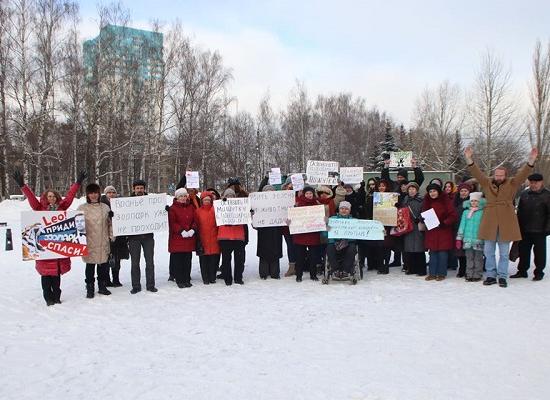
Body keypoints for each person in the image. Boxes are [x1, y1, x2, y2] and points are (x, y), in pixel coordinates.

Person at [464, 146, 537, 287]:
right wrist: (469, 159)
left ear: (505, 175)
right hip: (489, 221)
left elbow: (523, 173)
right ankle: (491, 275)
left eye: (501, 175)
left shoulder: (512, 183)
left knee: (503, 253)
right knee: (488, 251)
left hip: (506, 222)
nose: (498, 177)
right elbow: (477, 173)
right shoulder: (487, 182)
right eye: (496, 175)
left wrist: (531, 160)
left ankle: (502, 276)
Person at [12, 169, 86, 306]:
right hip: (44, 252)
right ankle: (48, 299)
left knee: (56, 278)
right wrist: (23, 185)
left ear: (57, 198)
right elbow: (31, 198)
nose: (51, 198)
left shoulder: (62, 209)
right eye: (49, 196)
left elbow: (69, 196)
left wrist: (78, 183)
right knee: (46, 278)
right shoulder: (39, 209)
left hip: (57, 252)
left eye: (53, 196)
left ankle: (57, 297)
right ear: (45, 197)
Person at [512, 173, 550, 281]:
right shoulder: (525, 194)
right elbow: (519, 211)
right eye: (531, 182)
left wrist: (547, 229)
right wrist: (517, 226)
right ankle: (522, 271)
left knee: (539, 253)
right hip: (524, 229)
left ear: (541, 182)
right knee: (523, 251)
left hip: (540, 230)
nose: (533, 185)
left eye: (536, 183)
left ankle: (539, 272)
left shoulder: (547, 195)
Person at [77, 183, 113, 298]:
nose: (93, 195)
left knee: (103, 266)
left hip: (103, 241)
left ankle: (102, 286)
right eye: (91, 193)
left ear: (99, 193)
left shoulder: (105, 207)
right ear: (87, 194)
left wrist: (112, 235)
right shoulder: (82, 208)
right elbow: (77, 226)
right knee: (90, 266)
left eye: (95, 192)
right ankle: (90, 287)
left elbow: (110, 224)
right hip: (89, 241)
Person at [126, 179, 158, 294]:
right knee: (135, 263)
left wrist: (164, 210)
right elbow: (123, 217)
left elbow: (157, 213)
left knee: (150, 262)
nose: (139, 190)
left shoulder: (151, 201)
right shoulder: (127, 202)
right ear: (133, 189)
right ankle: (136, 285)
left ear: (144, 189)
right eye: (137, 188)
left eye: (141, 188)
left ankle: (150, 285)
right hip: (133, 238)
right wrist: (114, 214)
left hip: (148, 237)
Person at [422, 183, 457, 281]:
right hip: (432, 231)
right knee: (432, 253)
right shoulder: (427, 202)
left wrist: (445, 222)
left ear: (438, 192)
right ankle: (432, 273)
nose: (432, 193)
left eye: (434, 191)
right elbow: (424, 214)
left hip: (443, 231)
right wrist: (423, 219)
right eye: (430, 191)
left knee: (442, 253)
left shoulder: (446, 200)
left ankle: (441, 273)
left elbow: (453, 215)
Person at [291, 186, 323, 282]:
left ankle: (313, 275)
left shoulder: (317, 204)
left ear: (313, 194)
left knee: (313, 257)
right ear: (304, 194)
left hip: (313, 234)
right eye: (307, 193)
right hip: (301, 234)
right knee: (300, 257)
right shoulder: (298, 203)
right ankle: (299, 275)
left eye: (311, 193)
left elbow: (321, 216)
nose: (309, 195)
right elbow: (293, 216)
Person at [167, 188, 197, 288]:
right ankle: (179, 280)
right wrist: (181, 231)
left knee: (187, 260)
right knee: (178, 261)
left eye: (184, 196)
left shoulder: (191, 207)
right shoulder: (172, 208)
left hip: (189, 237)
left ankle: (187, 279)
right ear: (177, 197)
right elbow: (172, 222)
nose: (183, 198)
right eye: (181, 196)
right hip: (177, 238)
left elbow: (195, 220)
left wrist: (193, 229)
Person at [218, 188, 247, 285]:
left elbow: (246, 218)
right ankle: (227, 278)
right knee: (226, 259)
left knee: (239, 259)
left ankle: (238, 278)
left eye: (232, 195)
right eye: (228, 195)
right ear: (224, 196)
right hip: (224, 237)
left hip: (238, 236)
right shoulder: (220, 205)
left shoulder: (240, 205)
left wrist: (249, 212)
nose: (230, 197)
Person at [100, 186, 129, 287]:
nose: (111, 194)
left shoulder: (121, 204)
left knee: (117, 258)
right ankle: (107, 280)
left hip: (119, 236)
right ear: (105, 194)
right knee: (107, 259)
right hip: (106, 236)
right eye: (109, 192)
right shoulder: (101, 205)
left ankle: (116, 279)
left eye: (113, 192)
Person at [254, 184, 283, 279]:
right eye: (266, 192)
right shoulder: (258, 204)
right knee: (263, 251)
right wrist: (253, 216)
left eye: (271, 192)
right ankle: (263, 272)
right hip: (263, 231)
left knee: (275, 251)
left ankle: (275, 272)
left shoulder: (280, 204)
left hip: (276, 231)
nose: (269, 194)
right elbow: (254, 222)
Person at [456, 192, 486, 282]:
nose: (473, 203)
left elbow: (484, 226)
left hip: (478, 239)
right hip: (468, 240)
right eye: (472, 201)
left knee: (478, 258)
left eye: (476, 201)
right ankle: (469, 273)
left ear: (480, 202)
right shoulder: (466, 212)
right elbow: (462, 225)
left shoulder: (483, 212)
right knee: (469, 258)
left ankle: (477, 274)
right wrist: (459, 238)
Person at [195, 191, 221, 284]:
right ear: (202, 200)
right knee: (204, 261)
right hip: (203, 239)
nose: (207, 201)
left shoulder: (216, 210)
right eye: (205, 200)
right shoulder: (198, 211)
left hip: (215, 238)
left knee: (214, 260)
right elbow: (196, 225)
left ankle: (212, 277)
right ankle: (205, 278)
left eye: (208, 200)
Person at [401, 182, 426, 276]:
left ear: (417, 190)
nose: (411, 191)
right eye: (409, 189)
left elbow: (425, 210)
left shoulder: (422, 199)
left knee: (419, 248)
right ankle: (412, 268)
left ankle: (421, 269)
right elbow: (402, 211)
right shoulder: (405, 200)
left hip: (418, 225)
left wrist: (419, 218)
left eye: (413, 189)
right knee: (409, 248)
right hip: (408, 226)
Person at [326, 201, 357, 277]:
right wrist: (327, 229)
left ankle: (346, 270)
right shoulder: (332, 219)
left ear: (349, 211)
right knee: (329, 247)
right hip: (335, 242)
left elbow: (358, 235)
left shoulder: (354, 221)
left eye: (346, 209)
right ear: (339, 210)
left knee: (352, 248)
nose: (344, 210)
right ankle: (335, 269)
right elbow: (324, 233)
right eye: (342, 208)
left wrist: (347, 239)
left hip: (348, 243)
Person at [453, 183, 472, 277]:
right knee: (459, 251)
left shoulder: (472, 202)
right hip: (457, 229)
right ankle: (461, 269)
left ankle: (469, 269)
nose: (463, 193)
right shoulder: (455, 202)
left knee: (468, 251)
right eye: (462, 191)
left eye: (466, 191)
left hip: (469, 230)